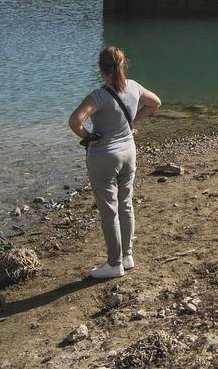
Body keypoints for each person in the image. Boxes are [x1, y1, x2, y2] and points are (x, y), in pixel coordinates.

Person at [67, 46, 161, 279]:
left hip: (104, 157)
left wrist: (89, 137)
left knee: (109, 211)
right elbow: (155, 103)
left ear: (101, 69)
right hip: (129, 153)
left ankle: (114, 264)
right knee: (126, 205)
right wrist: (131, 122)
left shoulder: (98, 96)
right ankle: (127, 256)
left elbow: (75, 121)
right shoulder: (134, 87)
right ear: (122, 65)